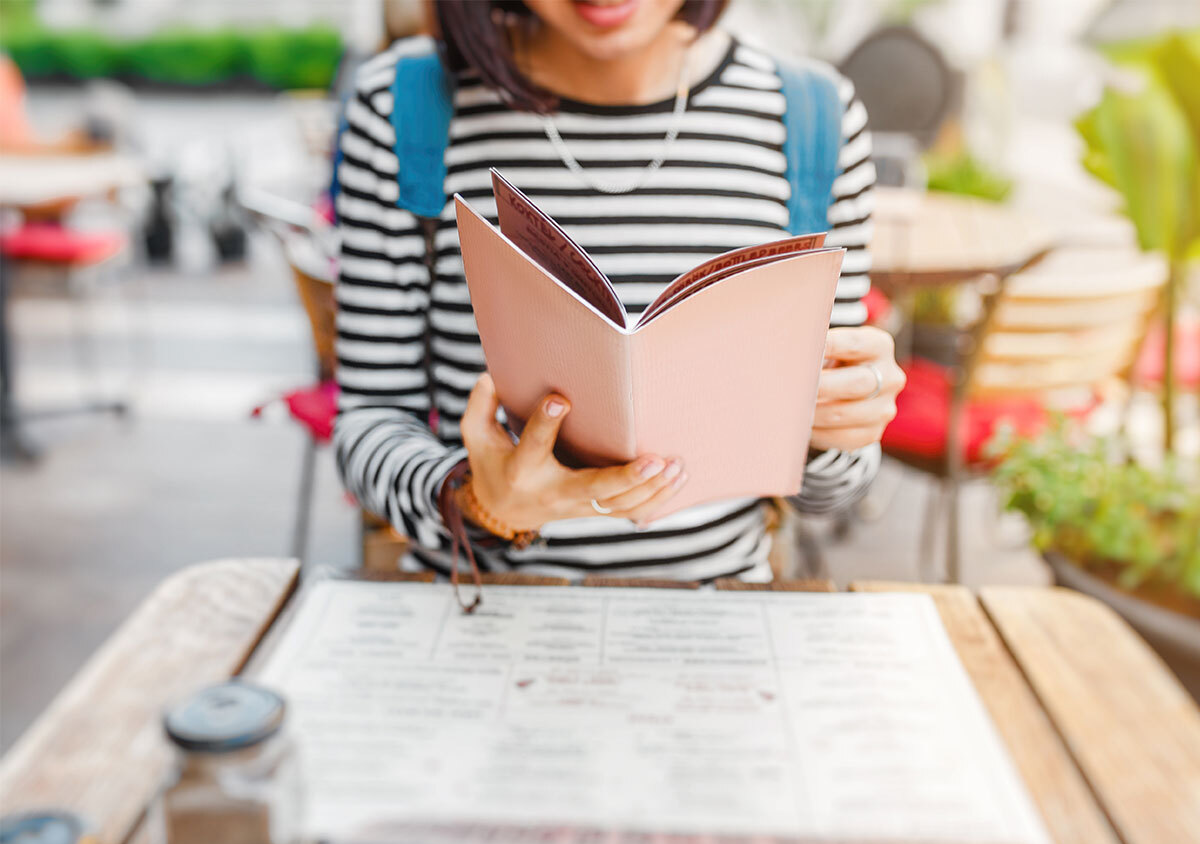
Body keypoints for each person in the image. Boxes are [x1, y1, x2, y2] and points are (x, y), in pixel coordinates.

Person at [334, 0, 905, 583]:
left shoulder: (813, 119)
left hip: (712, 619)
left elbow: (833, 491)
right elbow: (370, 421)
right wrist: (476, 501)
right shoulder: (404, 109)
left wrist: (832, 428)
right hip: (480, 609)